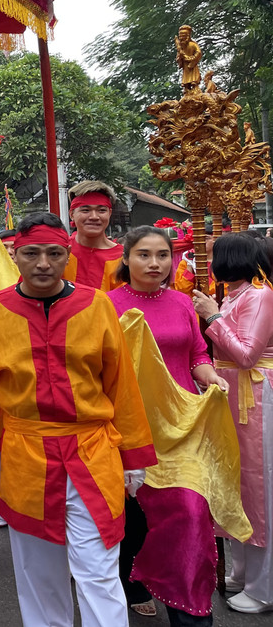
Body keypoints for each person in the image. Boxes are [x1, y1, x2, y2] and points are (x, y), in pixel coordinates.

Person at [0, 212, 156, 627]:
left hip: (91, 451)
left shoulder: (97, 305)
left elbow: (121, 383)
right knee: (38, 574)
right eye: (31, 253)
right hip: (25, 456)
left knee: (99, 570)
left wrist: (135, 455)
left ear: (67, 254)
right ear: (14, 254)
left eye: (54, 253)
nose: (43, 264)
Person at [109, 226, 228, 624]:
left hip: (182, 425)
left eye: (163, 255)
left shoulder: (181, 303)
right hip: (128, 426)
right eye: (144, 255)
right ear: (126, 258)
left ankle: (190, 610)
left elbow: (196, 352)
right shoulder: (105, 305)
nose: (155, 263)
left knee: (191, 511)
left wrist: (209, 375)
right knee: (134, 519)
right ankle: (135, 582)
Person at [192, 234, 273, 614]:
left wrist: (212, 317)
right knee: (235, 483)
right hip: (234, 398)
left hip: (256, 398)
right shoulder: (233, 297)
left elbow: (245, 354)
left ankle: (264, 587)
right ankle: (242, 574)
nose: (207, 263)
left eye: (212, 256)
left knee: (259, 489)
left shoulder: (259, 296)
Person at [63, 180, 123, 292]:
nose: (94, 217)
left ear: (109, 213)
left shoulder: (124, 258)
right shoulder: (60, 251)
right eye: (86, 210)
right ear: (72, 214)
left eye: (101, 210)